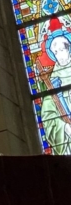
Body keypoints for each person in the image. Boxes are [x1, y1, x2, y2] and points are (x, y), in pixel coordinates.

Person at [37, 18, 71, 154]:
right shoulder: (52, 82)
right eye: (55, 52)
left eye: (62, 50)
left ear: (69, 48)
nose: (59, 55)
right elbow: (48, 115)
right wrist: (64, 128)